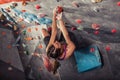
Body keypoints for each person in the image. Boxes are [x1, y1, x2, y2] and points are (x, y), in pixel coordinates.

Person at [41, 7, 76, 74]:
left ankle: (48, 32)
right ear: (61, 50)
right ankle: (59, 29)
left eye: (54, 43)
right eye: (57, 44)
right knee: (66, 34)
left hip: (52, 46)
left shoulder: (49, 48)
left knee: (43, 31)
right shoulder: (70, 49)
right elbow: (66, 35)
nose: (56, 42)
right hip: (65, 42)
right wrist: (60, 20)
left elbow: (54, 32)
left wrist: (54, 15)